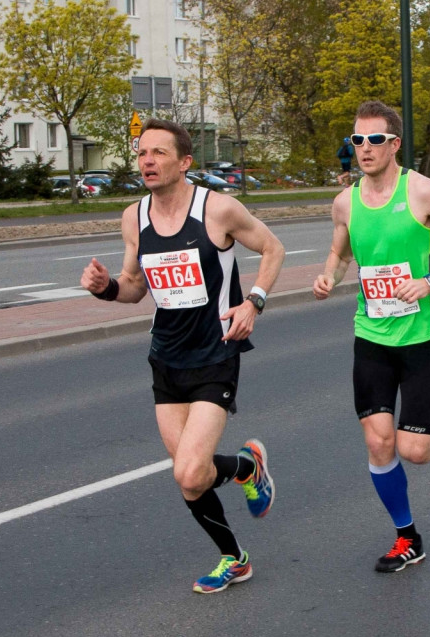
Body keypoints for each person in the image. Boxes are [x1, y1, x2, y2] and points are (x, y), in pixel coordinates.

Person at [80, 118, 285, 593]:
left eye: (158, 153)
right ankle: (235, 553)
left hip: (215, 353)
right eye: (141, 153)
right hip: (165, 359)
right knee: (191, 480)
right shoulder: (134, 217)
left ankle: (246, 470)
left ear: (184, 162)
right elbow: (134, 288)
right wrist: (105, 287)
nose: (146, 161)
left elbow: (273, 249)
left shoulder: (217, 210)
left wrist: (253, 301)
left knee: (190, 469)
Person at [312, 100, 430, 573]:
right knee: (378, 444)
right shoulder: (345, 201)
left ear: (394, 144)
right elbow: (340, 252)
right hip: (370, 334)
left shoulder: (423, 193)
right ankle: (407, 537)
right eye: (357, 140)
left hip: (419, 335)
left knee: (415, 451)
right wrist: (329, 275)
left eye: (374, 140)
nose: (364, 149)